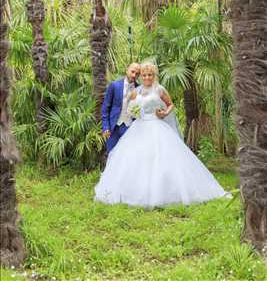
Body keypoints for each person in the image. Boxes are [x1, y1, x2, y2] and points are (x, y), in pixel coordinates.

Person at [95, 62, 231, 208]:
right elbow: (129, 108)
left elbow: (170, 104)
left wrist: (165, 113)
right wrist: (132, 112)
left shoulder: (159, 90)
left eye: (150, 75)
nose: (147, 77)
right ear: (141, 77)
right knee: (137, 159)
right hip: (139, 127)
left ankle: (164, 191)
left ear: (154, 76)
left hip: (156, 125)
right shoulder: (136, 92)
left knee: (161, 157)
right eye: (144, 75)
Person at [102, 62, 140, 154]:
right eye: (133, 71)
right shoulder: (114, 85)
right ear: (127, 70)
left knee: (127, 155)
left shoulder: (139, 89)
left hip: (129, 127)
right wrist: (106, 127)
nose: (134, 75)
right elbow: (106, 108)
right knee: (111, 154)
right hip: (113, 127)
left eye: (137, 74)